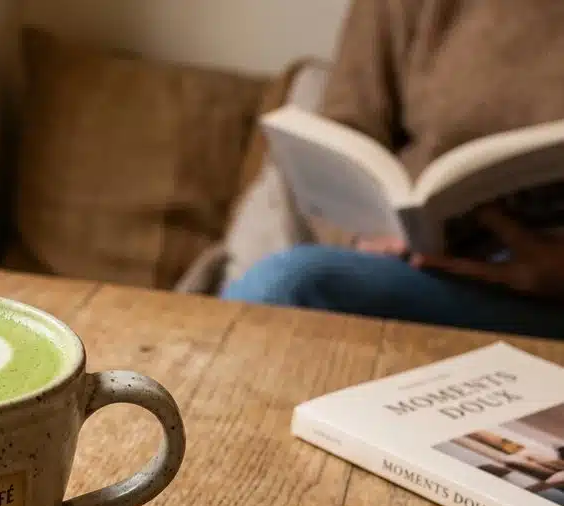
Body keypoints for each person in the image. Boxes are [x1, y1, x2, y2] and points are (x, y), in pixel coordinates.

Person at [222, 0, 564, 339]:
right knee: (281, 288)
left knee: (287, 282)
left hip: (547, 303)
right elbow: (342, 135)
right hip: (419, 276)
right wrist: (363, 236)